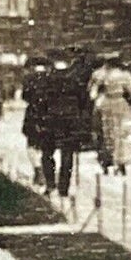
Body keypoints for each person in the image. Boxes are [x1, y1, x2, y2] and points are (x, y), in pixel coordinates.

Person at [41, 54, 89, 198]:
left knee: (47, 153)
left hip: (51, 119)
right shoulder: (75, 80)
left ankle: (50, 183)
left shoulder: (46, 80)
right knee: (67, 153)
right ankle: (64, 187)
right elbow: (83, 101)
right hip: (70, 120)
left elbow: (41, 101)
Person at [89, 55, 131, 175]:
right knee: (122, 134)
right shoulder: (125, 75)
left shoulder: (99, 74)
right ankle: (120, 162)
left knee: (105, 133)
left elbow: (92, 94)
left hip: (105, 105)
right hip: (121, 105)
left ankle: (106, 161)